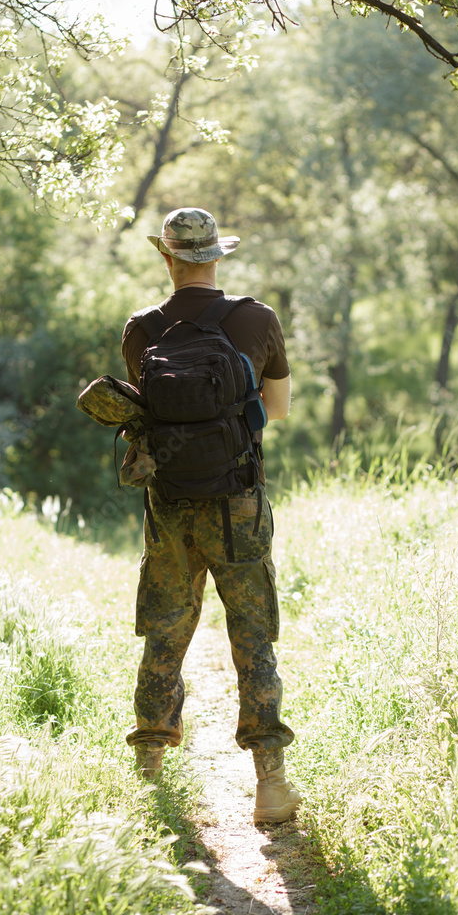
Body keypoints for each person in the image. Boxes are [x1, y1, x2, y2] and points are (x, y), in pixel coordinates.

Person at [121, 207, 302, 824]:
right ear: (216, 256)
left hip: (169, 503)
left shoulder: (141, 329)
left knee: (166, 630)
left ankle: (147, 775)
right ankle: (270, 787)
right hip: (238, 503)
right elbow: (276, 411)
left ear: (166, 258)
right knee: (252, 634)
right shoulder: (256, 319)